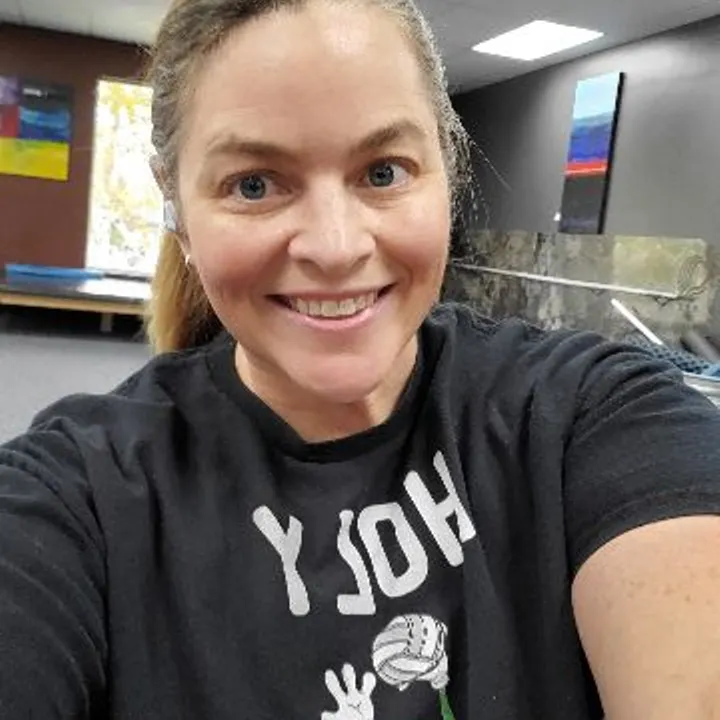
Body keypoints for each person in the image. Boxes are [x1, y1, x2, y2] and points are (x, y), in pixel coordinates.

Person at [1, 0, 720, 717]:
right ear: (178, 212)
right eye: (254, 184)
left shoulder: (594, 415)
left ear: (448, 173)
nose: (336, 247)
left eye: (383, 172)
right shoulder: (78, 493)